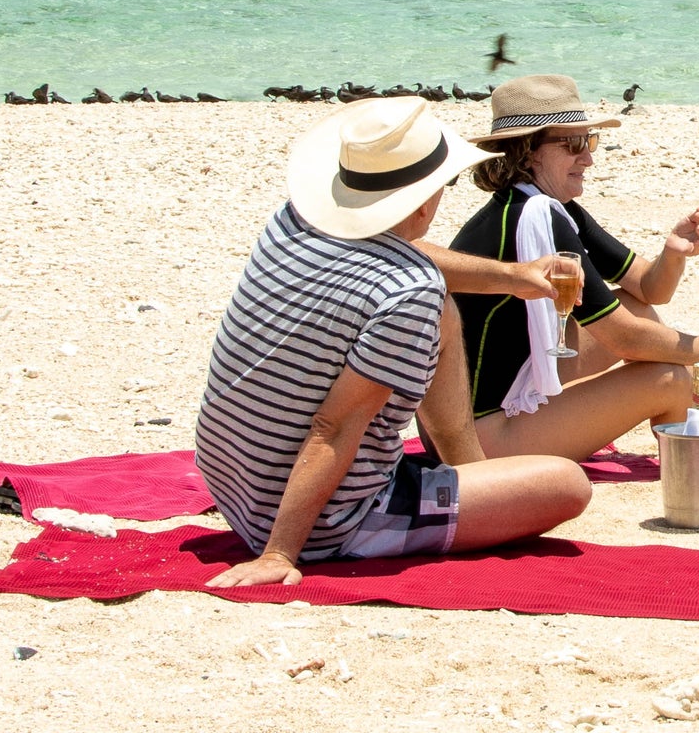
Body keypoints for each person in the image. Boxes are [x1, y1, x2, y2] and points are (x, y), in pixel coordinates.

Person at [195, 96, 594, 588]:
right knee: (566, 485)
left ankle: (468, 469)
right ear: (426, 200)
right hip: (327, 521)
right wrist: (280, 553)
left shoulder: (296, 219)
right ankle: (461, 491)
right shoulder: (406, 294)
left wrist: (513, 276)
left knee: (445, 311)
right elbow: (333, 427)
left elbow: (402, 249)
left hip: (232, 478)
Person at [447, 72, 699, 461]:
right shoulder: (537, 215)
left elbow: (648, 291)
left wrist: (673, 254)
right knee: (668, 380)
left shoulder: (543, 205)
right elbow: (621, 338)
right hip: (480, 437)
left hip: (484, 407)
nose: (588, 157)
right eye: (574, 143)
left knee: (636, 311)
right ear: (528, 151)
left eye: (590, 140)